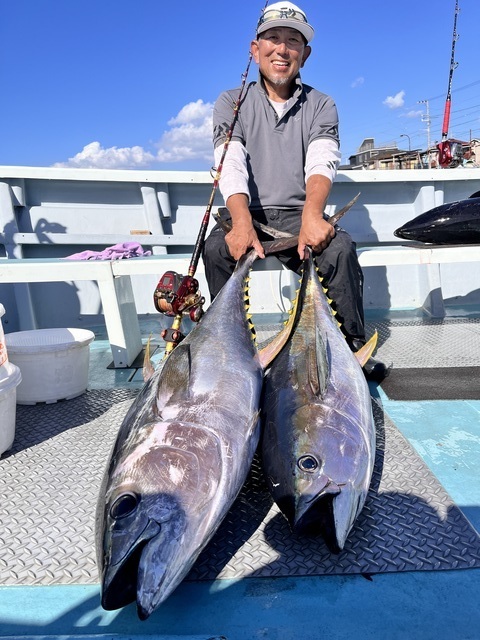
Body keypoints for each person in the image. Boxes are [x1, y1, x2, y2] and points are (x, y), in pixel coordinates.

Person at [202, 1, 387, 381]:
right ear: (255, 49)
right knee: (216, 249)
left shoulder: (322, 104)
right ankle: (229, 352)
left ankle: (351, 347)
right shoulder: (229, 102)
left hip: (297, 215)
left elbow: (322, 160)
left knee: (339, 249)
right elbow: (231, 162)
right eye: (272, 38)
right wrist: (240, 222)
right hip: (248, 211)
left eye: (293, 41)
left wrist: (311, 217)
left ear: (306, 53)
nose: (281, 49)